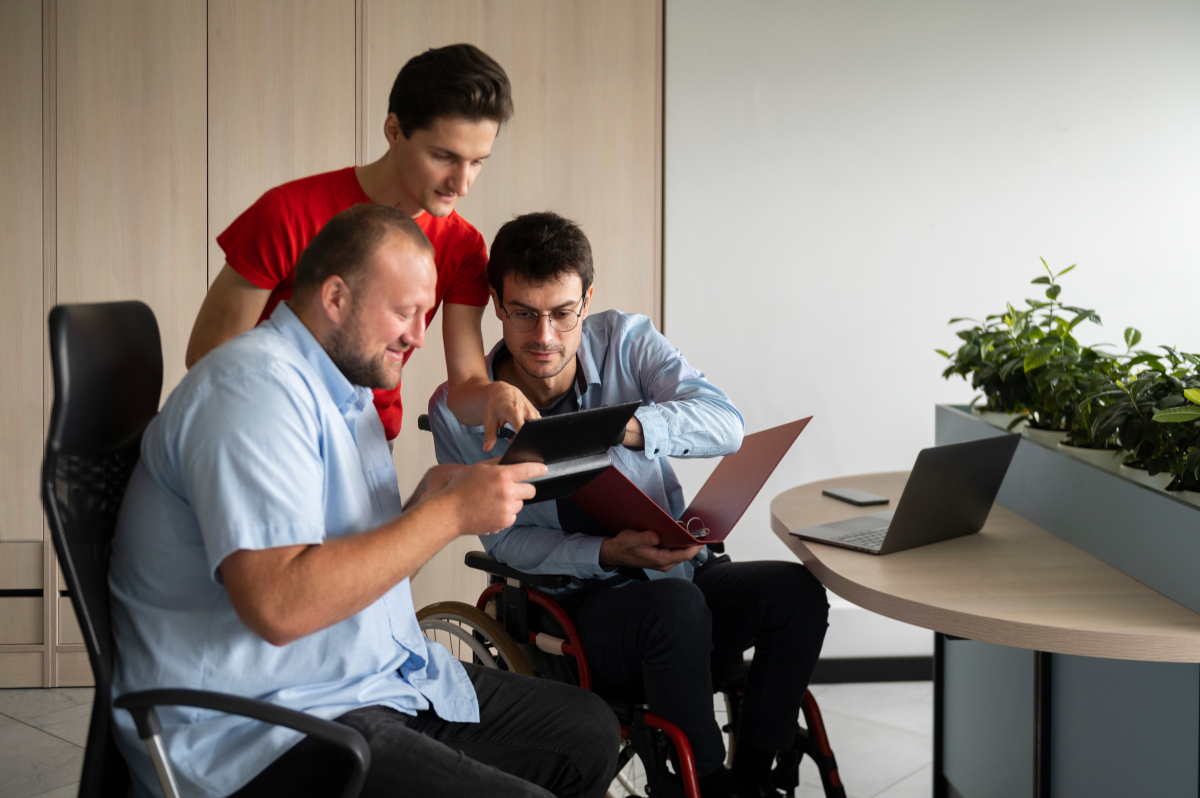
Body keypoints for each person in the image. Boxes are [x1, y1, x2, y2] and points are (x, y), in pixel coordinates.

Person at [110, 205, 620, 798]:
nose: (420, 336)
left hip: (359, 679)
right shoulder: (253, 395)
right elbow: (279, 606)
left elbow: (349, 559)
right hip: (267, 728)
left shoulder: (344, 390)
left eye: (425, 313)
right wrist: (447, 516)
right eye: (404, 313)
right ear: (334, 298)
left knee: (588, 732)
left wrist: (428, 502)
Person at [428, 212, 830, 798]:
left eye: (563, 314)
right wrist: (606, 553)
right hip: (581, 609)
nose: (545, 336)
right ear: (496, 305)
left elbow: (726, 423)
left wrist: (630, 427)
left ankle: (754, 776)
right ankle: (705, 785)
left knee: (796, 594)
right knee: (674, 607)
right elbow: (507, 543)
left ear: (587, 301)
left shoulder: (625, 341)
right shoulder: (456, 411)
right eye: (525, 313)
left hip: (680, 575)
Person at [185, 43, 537, 443]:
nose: (462, 183)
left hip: (369, 440)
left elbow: (465, 386)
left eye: (477, 162)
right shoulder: (288, 212)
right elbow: (209, 357)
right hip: (269, 426)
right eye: (444, 156)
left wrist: (494, 394)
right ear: (394, 132)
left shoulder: (463, 246)